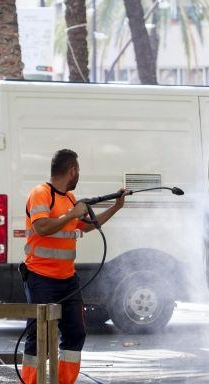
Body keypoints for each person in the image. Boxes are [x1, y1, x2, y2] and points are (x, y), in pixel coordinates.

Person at [21, 149, 127, 384]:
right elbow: (42, 228)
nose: (78, 175)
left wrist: (116, 207)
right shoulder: (40, 194)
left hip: (68, 280)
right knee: (38, 337)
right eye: (78, 171)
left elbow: (90, 224)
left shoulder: (69, 199)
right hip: (41, 278)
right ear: (72, 171)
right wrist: (71, 215)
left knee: (76, 333)